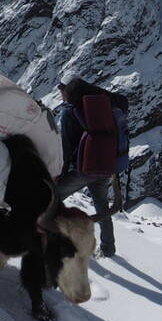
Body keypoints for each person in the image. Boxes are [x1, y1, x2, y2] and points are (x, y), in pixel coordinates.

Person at [52, 77, 117, 258]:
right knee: (102, 207)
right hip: (104, 168)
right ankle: (108, 248)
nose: (60, 94)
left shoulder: (69, 113)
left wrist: (60, 172)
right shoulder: (100, 109)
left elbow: (66, 147)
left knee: (53, 199)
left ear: (68, 91)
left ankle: (61, 242)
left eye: (61, 89)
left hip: (82, 170)